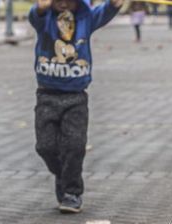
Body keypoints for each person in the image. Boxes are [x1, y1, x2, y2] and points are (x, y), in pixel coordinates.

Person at [29, 0, 122, 213]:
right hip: (46, 95)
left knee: (75, 146)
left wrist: (116, 4)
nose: (63, 3)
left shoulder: (85, 18)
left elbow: (107, 10)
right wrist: (42, 8)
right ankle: (64, 175)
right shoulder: (45, 20)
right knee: (45, 146)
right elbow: (36, 16)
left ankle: (72, 192)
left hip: (76, 97)